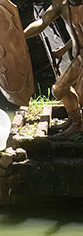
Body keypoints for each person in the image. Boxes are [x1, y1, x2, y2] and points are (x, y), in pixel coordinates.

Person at [24, 0, 83, 137]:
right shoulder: (62, 5)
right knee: (59, 89)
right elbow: (42, 23)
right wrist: (21, 36)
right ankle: (75, 122)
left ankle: (78, 126)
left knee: (81, 94)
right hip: (79, 58)